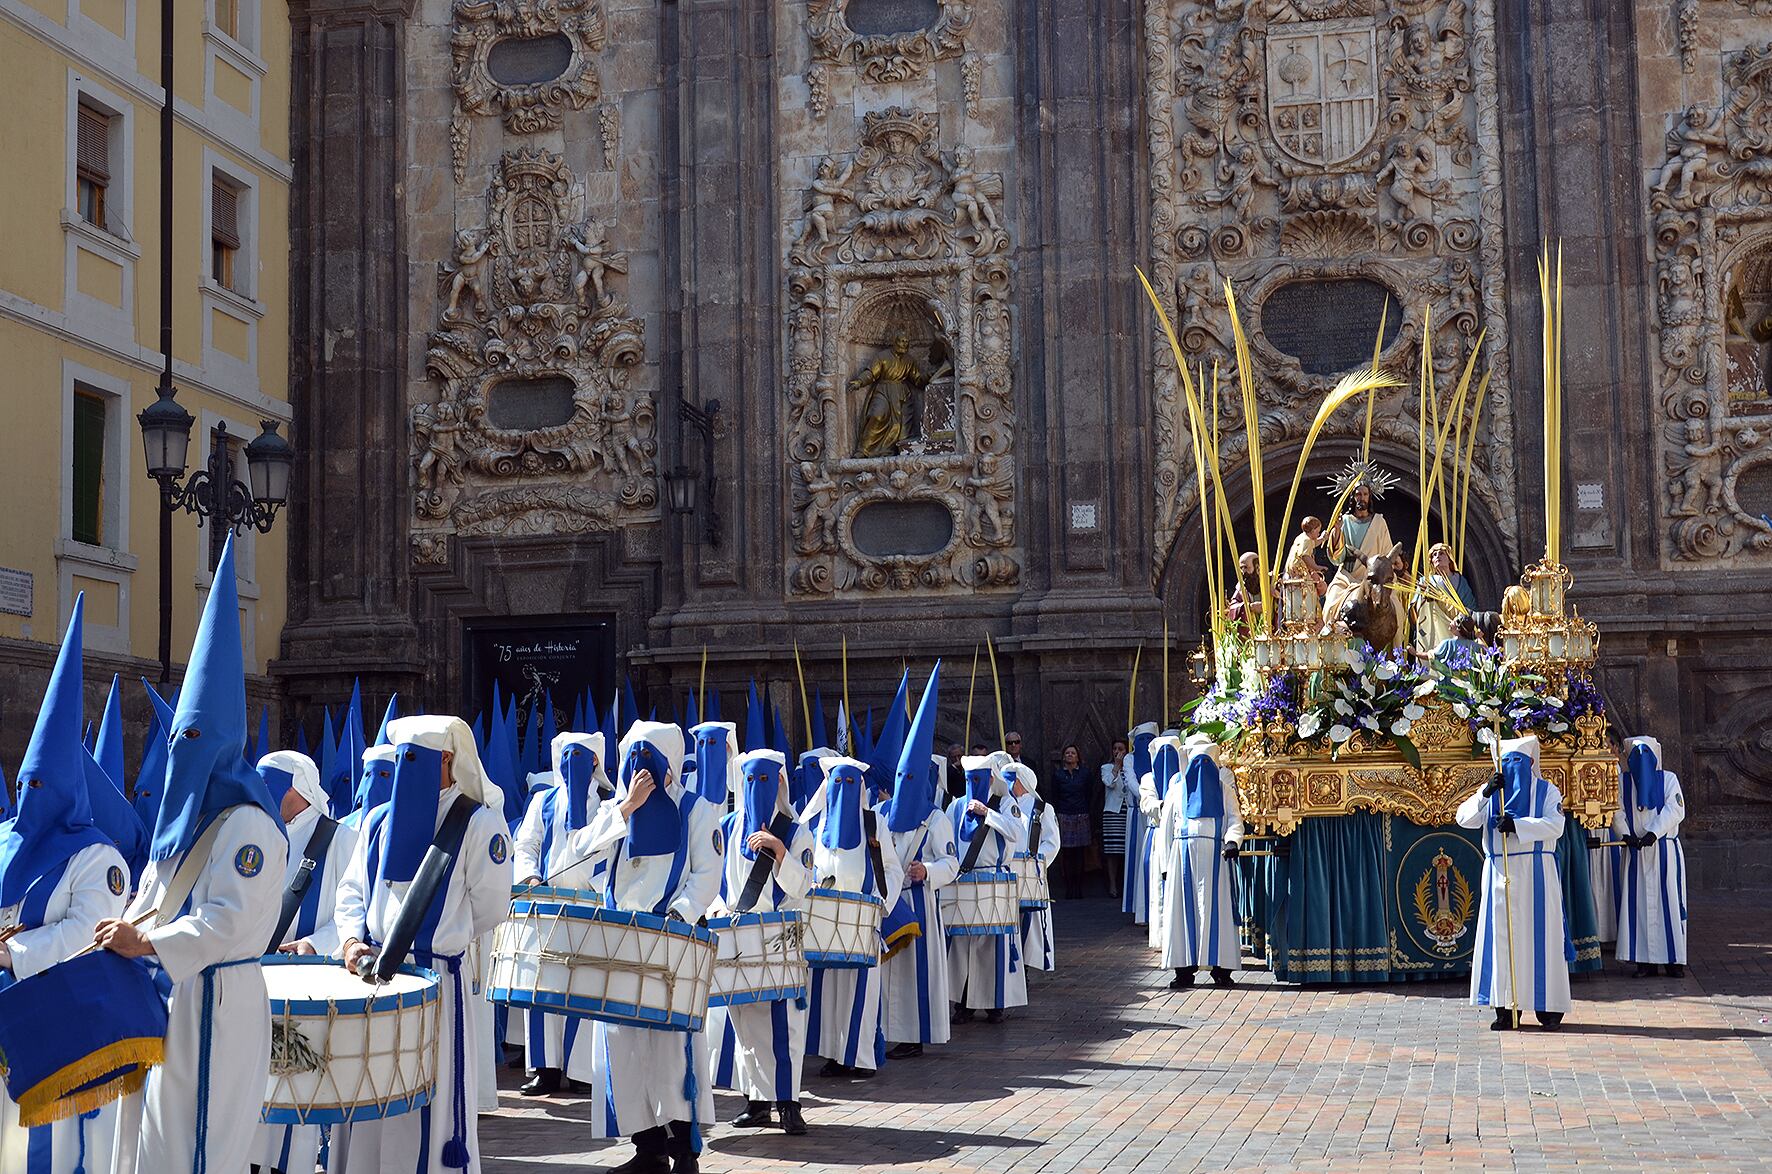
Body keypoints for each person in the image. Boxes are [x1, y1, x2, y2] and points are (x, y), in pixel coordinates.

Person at [96, 537, 288, 1174]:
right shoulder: (182, 824)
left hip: (218, 1007)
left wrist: (147, 944)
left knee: (199, 1150)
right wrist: (120, 932)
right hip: (167, 1004)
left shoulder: (250, 829)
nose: (184, 751)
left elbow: (226, 922)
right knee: (156, 1150)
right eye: (179, 737)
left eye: (195, 739)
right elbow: (151, 901)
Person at [330, 715, 512, 1173]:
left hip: (436, 983)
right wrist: (352, 941)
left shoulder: (479, 824)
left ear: (446, 760)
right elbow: (352, 890)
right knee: (370, 1097)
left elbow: (491, 907)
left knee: (427, 1103)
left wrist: (439, 939)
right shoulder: (376, 821)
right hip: (372, 980)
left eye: (417, 761)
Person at [0, 599, 130, 1174]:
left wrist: (12, 952)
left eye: (42, 784)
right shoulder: (6, 837)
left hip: (59, 1018)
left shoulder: (96, 855)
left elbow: (88, 933)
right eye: (24, 782)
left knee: (53, 1147)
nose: (31, 794)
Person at [576, 721, 721, 1173]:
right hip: (619, 945)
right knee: (624, 1048)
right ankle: (648, 1148)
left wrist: (676, 917)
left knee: (671, 1052)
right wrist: (627, 808)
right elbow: (578, 858)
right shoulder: (616, 809)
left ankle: (684, 1153)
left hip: (670, 946)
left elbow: (706, 875)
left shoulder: (696, 810)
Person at [251, 749, 359, 1174]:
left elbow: (354, 911)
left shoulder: (339, 838)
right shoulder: (259, 833)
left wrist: (314, 943)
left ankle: (294, 1162)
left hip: (312, 978)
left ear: (296, 788)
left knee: (301, 1072)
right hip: (262, 976)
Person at [712, 750, 817, 1133]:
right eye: (751, 781)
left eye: (766, 781)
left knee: (782, 1021)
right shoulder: (726, 826)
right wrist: (719, 910)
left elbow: (803, 885)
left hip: (779, 933)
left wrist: (779, 852)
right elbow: (716, 883)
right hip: (738, 933)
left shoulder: (796, 830)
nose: (758, 788)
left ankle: (789, 1102)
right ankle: (756, 1101)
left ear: (780, 785)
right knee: (744, 1019)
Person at [510, 731, 612, 1096]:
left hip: (588, 906)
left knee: (584, 986)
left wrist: (596, 889)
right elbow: (527, 842)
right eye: (566, 757)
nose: (572, 766)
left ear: (595, 762)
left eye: (581, 758)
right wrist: (529, 876)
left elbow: (608, 853)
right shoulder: (543, 801)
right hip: (545, 905)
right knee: (542, 986)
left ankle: (581, 1069)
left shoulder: (607, 804)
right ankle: (545, 1068)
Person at [1455, 735, 1571, 1030]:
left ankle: (1548, 1006)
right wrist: (1484, 792)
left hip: (1537, 872)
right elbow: (1463, 818)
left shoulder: (1547, 791)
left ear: (1532, 764)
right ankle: (1505, 1007)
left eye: (1518, 762)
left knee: (1541, 938)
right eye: (1507, 762)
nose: (1513, 767)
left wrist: (1517, 825)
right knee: (1502, 940)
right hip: (1499, 871)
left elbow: (1556, 826)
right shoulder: (1494, 793)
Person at [804, 757, 904, 1078]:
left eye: (851, 784)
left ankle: (861, 1058)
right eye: (838, 783)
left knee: (861, 990)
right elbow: (808, 867)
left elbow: (891, 869)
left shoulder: (874, 824)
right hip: (826, 923)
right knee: (831, 992)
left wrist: (878, 904)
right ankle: (835, 1055)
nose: (844, 790)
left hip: (861, 923)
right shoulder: (819, 826)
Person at [883, 751, 960, 1060]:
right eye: (901, 777)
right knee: (886, 972)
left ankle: (913, 1035)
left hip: (918, 903)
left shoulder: (935, 818)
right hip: (887, 902)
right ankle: (884, 1031)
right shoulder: (881, 811)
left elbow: (951, 862)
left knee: (913, 973)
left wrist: (927, 870)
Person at [946, 754, 1028, 1023]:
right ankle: (963, 1004)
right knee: (961, 947)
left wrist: (988, 813)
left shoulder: (1004, 803)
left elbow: (1017, 832)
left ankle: (995, 1003)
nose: (975, 784)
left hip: (993, 882)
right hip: (963, 883)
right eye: (970, 780)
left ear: (992, 779)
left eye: (980, 779)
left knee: (992, 946)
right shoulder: (956, 807)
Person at [1157, 735, 1243, 989]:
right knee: (1184, 914)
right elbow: (1165, 829)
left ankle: (1221, 967)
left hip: (1217, 857)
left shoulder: (1224, 790)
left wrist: (1232, 841)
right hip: (1182, 858)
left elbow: (1235, 819)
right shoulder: (1176, 789)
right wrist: (1164, 866)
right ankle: (1183, 969)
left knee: (1217, 911)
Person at [1613, 736, 1688, 977]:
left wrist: (1654, 832)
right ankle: (1644, 961)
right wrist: (1625, 835)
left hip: (1663, 850)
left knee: (1669, 904)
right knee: (1638, 905)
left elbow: (1675, 809)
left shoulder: (1668, 779)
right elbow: (1617, 811)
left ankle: (1673, 960)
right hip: (1636, 852)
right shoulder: (1623, 782)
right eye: (1636, 756)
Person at [1009, 762, 1060, 974]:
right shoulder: (1001, 805)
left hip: (1031, 874)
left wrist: (1037, 861)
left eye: (1012, 779)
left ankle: (1027, 967)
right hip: (1008, 873)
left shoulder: (1042, 807)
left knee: (1030, 923)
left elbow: (1052, 842)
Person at [1414, 542, 1479, 654]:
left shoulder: (1460, 580)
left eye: (1441, 553)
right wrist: (1424, 598)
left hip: (1457, 628)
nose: (1437, 556)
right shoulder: (1427, 582)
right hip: (1436, 627)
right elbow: (1415, 608)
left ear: (1449, 559)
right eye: (1434, 555)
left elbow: (1470, 606)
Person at [1048, 745, 1095, 900]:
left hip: (1081, 814)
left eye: (1073, 753)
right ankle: (1068, 887)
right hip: (1065, 814)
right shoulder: (1058, 775)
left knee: (1080, 854)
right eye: (1067, 753)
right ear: (1063, 757)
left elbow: (1089, 793)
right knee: (1067, 854)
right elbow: (1055, 794)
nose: (1070, 755)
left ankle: (1079, 887)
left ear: (1078, 757)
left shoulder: (1085, 774)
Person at [1123, 723, 1158, 924]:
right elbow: (1131, 781)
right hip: (1138, 813)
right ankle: (1139, 907)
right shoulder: (1129, 758)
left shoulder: (1159, 754)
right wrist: (1147, 796)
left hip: (1156, 812)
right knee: (1138, 858)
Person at [1098, 738, 1129, 902]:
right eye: (1115, 749)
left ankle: (1126, 884)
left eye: (1121, 749)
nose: (1118, 752)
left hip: (1128, 812)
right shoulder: (1107, 768)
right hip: (1113, 813)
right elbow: (1109, 783)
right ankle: (1112, 885)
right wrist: (1117, 766)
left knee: (1127, 849)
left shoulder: (1130, 767)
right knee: (1113, 851)